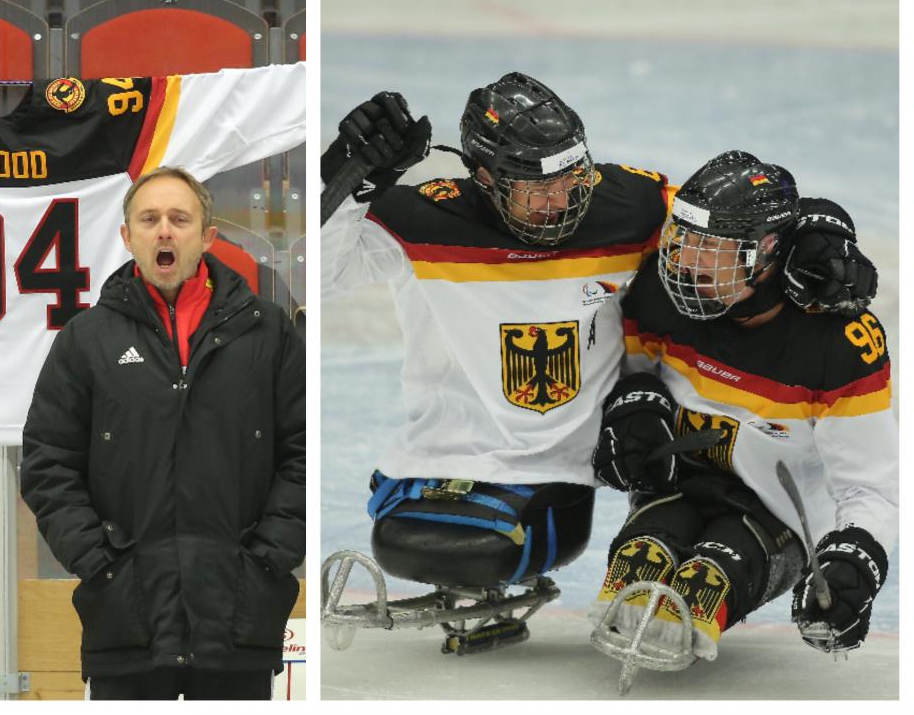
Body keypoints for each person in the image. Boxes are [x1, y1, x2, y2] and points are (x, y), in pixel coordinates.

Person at [320, 75, 877, 621]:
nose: (563, 201)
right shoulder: (423, 216)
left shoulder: (629, 204)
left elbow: (740, 214)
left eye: (574, 178)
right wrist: (349, 177)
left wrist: (824, 228)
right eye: (539, 190)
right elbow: (317, 277)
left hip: (564, 461)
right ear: (485, 177)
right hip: (437, 455)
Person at [589, 151, 895, 664]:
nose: (685, 263)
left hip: (775, 516)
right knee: (642, 553)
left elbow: (874, 485)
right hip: (677, 488)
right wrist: (631, 406)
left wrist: (857, 560)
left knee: (712, 574)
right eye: (684, 241)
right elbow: (625, 378)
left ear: (768, 252)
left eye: (711, 249)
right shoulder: (658, 292)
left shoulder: (838, 341)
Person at [20, 166, 305, 700]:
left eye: (180, 218)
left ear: (208, 236)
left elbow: (304, 453)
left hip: (238, 617)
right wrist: (101, 565)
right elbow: (46, 462)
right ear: (127, 237)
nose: (165, 231)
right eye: (149, 219)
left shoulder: (268, 332)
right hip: (126, 619)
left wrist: (265, 560)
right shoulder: (87, 339)